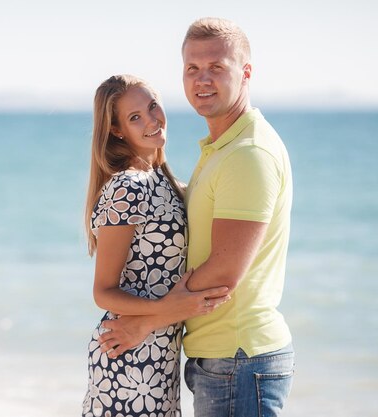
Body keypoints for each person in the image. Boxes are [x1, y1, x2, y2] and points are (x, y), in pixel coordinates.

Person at [98, 18, 295, 417]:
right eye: (192, 68)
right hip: (221, 359)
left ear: (246, 73)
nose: (202, 79)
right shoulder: (220, 148)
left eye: (216, 67)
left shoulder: (247, 154)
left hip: (239, 357)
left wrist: (147, 322)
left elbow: (224, 271)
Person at [81, 74, 230, 417]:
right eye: (135, 117)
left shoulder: (170, 183)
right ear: (118, 131)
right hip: (128, 355)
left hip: (161, 355)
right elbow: (103, 291)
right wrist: (170, 311)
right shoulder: (128, 187)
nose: (151, 119)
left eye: (152, 106)